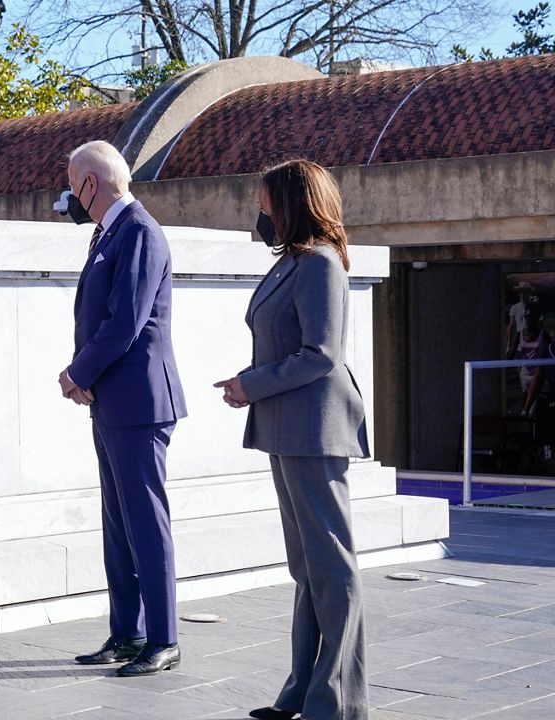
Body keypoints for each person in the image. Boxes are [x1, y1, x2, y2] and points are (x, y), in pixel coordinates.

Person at [213, 159, 370, 720]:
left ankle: (339, 704)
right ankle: (303, 692)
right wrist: (248, 386)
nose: (260, 215)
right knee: (307, 568)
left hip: (313, 428)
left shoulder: (320, 264)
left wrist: (250, 385)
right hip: (287, 427)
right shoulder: (292, 264)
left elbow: (321, 354)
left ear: (292, 204)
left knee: (332, 569)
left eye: (266, 204)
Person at [59, 141, 187, 677]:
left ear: (93, 182)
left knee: (144, 520)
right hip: (113, 400)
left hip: (138, 401)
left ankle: (163, 638)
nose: (69, 195)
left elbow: (124, 322)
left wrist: (77, 373)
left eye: (73, 184)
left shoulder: (137, 230)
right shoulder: (109, 233)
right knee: (118, 523)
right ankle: (127, 632)